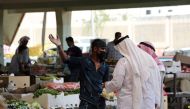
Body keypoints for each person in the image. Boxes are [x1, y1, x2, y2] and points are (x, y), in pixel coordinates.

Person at [49, 34, 109, 109]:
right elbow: (65, 59)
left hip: (100, 103)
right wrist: (59, 45)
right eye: (102, 49)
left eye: (105, 49)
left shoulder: (105, 66)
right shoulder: (84, 61)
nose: (104, 51)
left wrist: (108, 93)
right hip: (86, 103)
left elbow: (106, 84)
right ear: (95, 49)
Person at [104, 36, 161, 109]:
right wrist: (156, 99)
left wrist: (106, 85)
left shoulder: (123, 62)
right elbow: (155, 81)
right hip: (148, 102)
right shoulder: (149, 59)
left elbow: (117, 83)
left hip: (128, 103)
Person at [138, 41, 165, 109]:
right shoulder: (150, 62)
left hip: (152, 96)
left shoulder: (156, 65)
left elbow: (155, 85)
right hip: (148, 96)